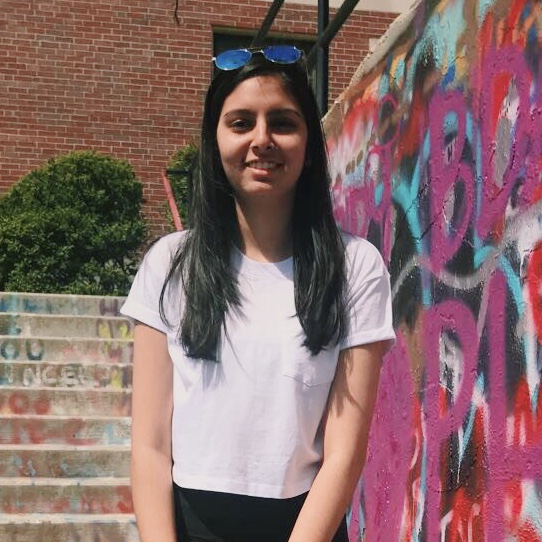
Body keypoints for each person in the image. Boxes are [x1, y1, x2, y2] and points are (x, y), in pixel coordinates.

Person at [120, 45, 395, 542]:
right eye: (241, 122)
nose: (262, 139)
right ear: (215, 138)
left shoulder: (355, 267)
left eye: (283, 123)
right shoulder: (170, 263)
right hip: (189, 523)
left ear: (309, 142)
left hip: (306, 525)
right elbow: (151, 446)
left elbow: (344, 454)